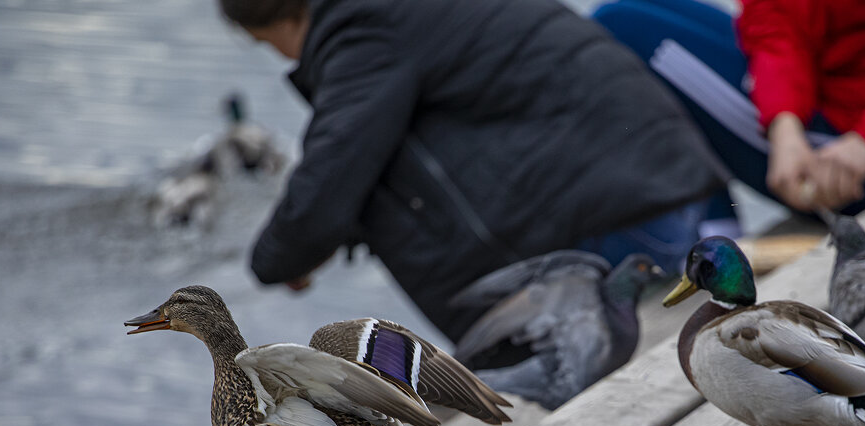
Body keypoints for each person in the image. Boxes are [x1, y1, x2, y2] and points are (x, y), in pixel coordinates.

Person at [219, 0, 729, 342]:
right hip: (671, 199)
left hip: (620, 230)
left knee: (375, 172)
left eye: (268, 44)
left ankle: (513, 352)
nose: (283, 58)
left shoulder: (362, 29)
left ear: (281, 22)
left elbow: (329, 175)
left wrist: (280, 258)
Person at [592, 0, 865, 216]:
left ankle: (709, 228)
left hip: (846, 162)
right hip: (806, 134)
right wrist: (784, 126)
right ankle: (710, 223)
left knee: (621, 29)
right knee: (629, 9)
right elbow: (776, 25)